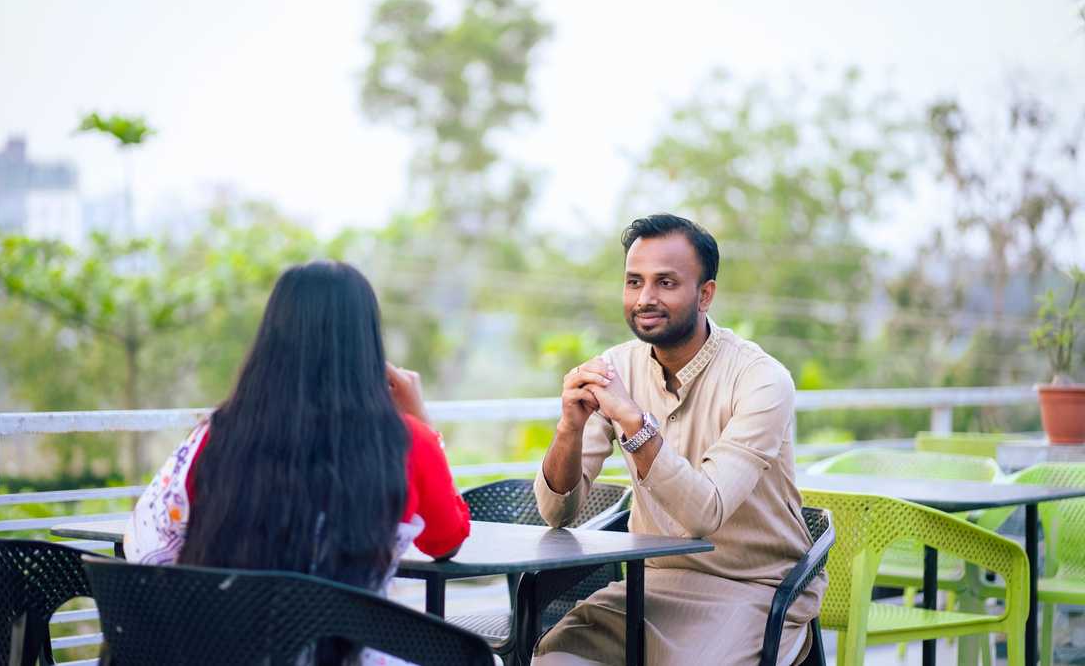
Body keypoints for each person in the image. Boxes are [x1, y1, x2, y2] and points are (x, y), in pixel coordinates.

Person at [124, 260, 471, 665]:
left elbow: (144, 545)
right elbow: (446, 539)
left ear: (271, 339)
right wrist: (423, 423)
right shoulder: (408, 442)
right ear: (368, 346)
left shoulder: (215, 435)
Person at [532, 214, 825, 666]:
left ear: (705, 294)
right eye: (634, 282)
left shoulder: (762, 380)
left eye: (665, 283)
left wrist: (632, 419)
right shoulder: (615, 368)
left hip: (752, 588)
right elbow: (557, 514)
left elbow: (703, 513)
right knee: (554, 658)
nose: (645, 298)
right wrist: (569, 427)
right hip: (647, 584)